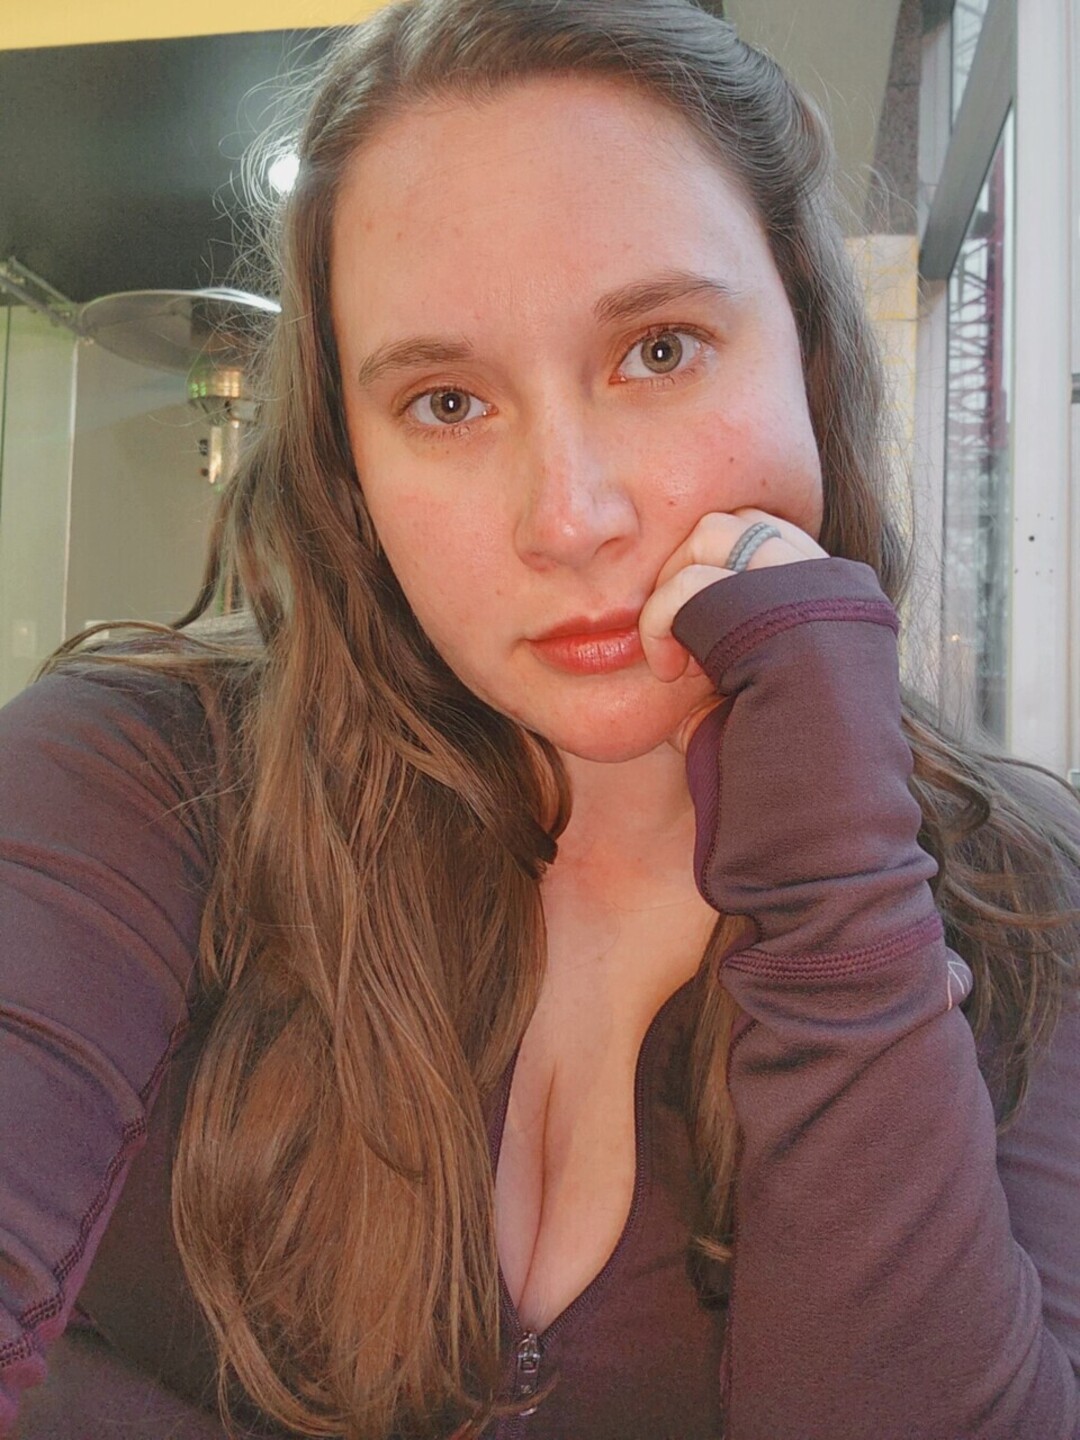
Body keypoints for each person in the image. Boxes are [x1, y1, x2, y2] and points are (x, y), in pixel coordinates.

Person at [2, 0, 1079, 1436]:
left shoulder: (1022, 899)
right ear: (348, 467)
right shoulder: (137, 781)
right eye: (447, 402)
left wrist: (837, 868)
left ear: (809, 357)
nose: (569, 518)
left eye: (660, 350)